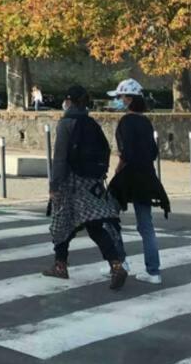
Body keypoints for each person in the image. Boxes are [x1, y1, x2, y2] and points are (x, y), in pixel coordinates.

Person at [44, 85, 128, 290]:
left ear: (69, 101)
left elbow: (60, 158)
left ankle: (60, 265)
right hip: (92, 183)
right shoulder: (91, 122)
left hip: (70, 182)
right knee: (95, 226)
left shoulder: (66, 124)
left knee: (61, 224)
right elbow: (105, 149)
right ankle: (116, 265)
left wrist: (54, 185)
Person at [106, 79, 170, 284]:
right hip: (147, 176)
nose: (119, 100)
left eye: (121, 97)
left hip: (128, 175)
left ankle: (120, 261)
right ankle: (153, 270)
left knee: (109, 216)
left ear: (129, 99)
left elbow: (126, 151)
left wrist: (118, 168)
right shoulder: (145, 121)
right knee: (146, 225)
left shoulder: (126, 121)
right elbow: (153, 151)